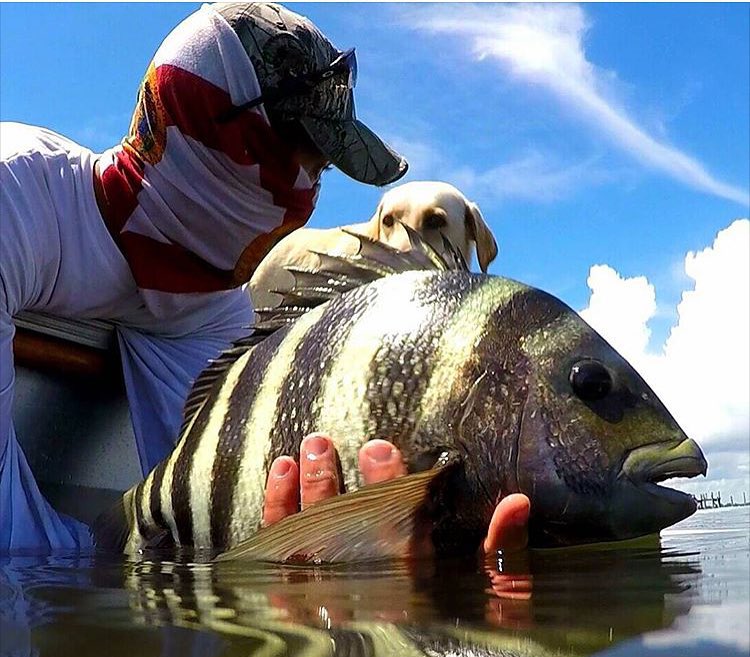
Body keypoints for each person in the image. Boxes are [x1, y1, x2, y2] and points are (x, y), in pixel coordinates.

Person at [0, 2, 529, 553]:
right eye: (307, 162)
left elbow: (206, 530)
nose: (306, 203)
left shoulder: (220, 316)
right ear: (216, 139)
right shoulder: (12, 201)